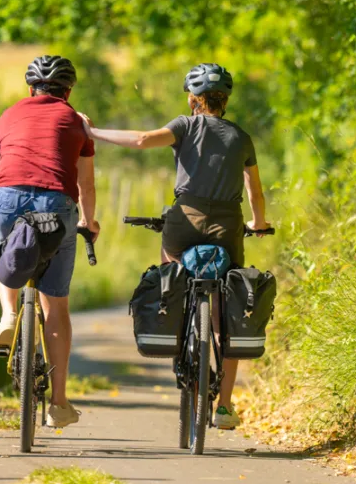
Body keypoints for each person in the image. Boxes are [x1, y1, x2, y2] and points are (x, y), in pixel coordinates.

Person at [80, 63, 269, 430]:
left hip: (184, 219)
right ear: (225, 100)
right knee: (224, 312)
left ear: (193, 98)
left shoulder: (185, 125)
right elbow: (255, 191)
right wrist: (258, 224)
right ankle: (226, 405)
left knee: (173, 277)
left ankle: (176, 322)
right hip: (228, 225)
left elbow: (140, 140)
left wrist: (93, 131)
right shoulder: (242, 137)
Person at [0, 55, 99, 428]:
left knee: (3, 248)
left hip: (4, 199)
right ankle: (58, 404)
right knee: (56, 306)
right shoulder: (77, 121)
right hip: (55, 204)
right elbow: (85, 185)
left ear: (30, 88)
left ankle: (8, 315)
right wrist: (89, 223)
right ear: (69, 91)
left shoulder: (8, 115)